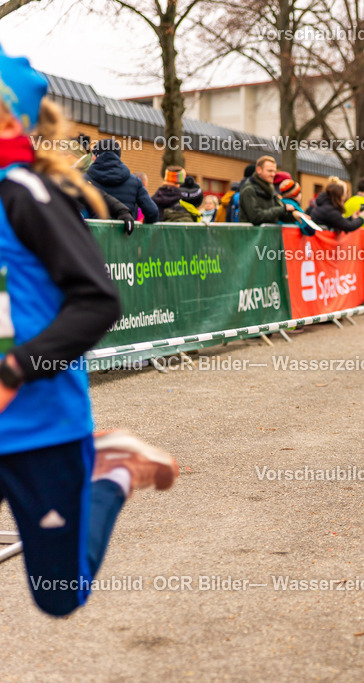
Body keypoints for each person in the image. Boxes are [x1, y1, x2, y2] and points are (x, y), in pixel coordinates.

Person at [0, 44, 178, 617]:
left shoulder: (29, 196)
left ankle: (115, 470)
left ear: (8, 117)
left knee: (60, 593)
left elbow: (98, 302)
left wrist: (16, 369)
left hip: (37, 422)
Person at [85, 139, 158, 223]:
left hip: (92, 234)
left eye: (93, 154)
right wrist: (140, 229)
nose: (92, 158)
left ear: (97, 156)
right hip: (127, 233)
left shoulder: (84, 180)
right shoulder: (135, 181)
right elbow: (152, 212)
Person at [239, 156, 297, 225]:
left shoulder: (271, 190)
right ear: (259, 170)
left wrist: (294, 215)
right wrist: (282, 209)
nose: (273, 174)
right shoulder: (249, 190)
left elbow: (280, 215)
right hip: (252, 234)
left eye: (274, 171)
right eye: (270, 171)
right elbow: (255, 217)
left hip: (267, 234)